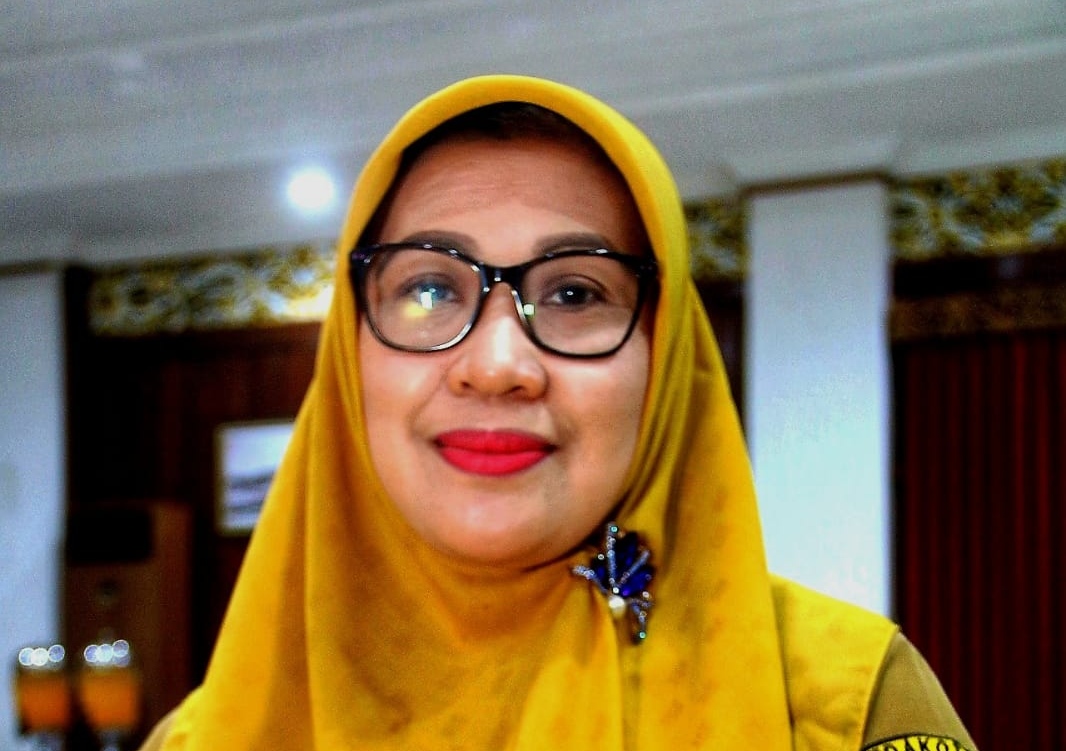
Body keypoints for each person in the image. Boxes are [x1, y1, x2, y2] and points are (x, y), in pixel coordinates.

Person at [139, 74, 977, 750]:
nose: (498, 366)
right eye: (429, 288)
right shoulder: (210, 735)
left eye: (576, 292)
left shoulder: (844, 703)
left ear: (664, 356)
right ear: (348, 356)